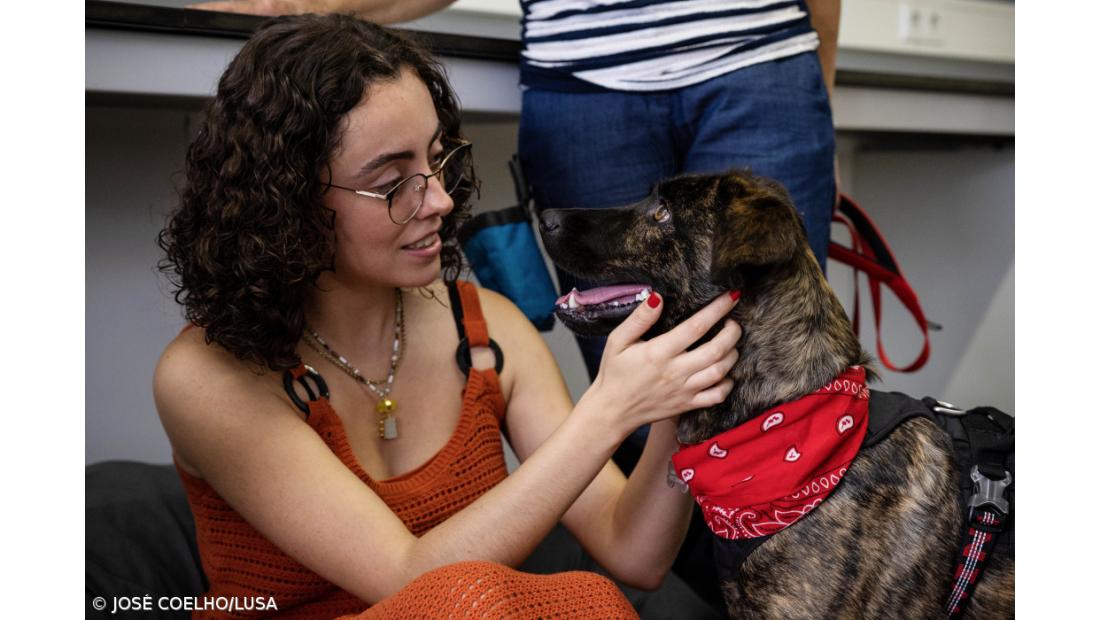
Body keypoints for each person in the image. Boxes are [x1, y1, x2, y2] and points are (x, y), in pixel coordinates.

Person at [154, 13, 742, 618]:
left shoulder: (489, 331)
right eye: (391, 183)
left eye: (438, 160)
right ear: (289, 198)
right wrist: (608, 411)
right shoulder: (204, 375)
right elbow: (412, 583)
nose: (438, 199)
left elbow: (636, 553)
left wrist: (675, 399)